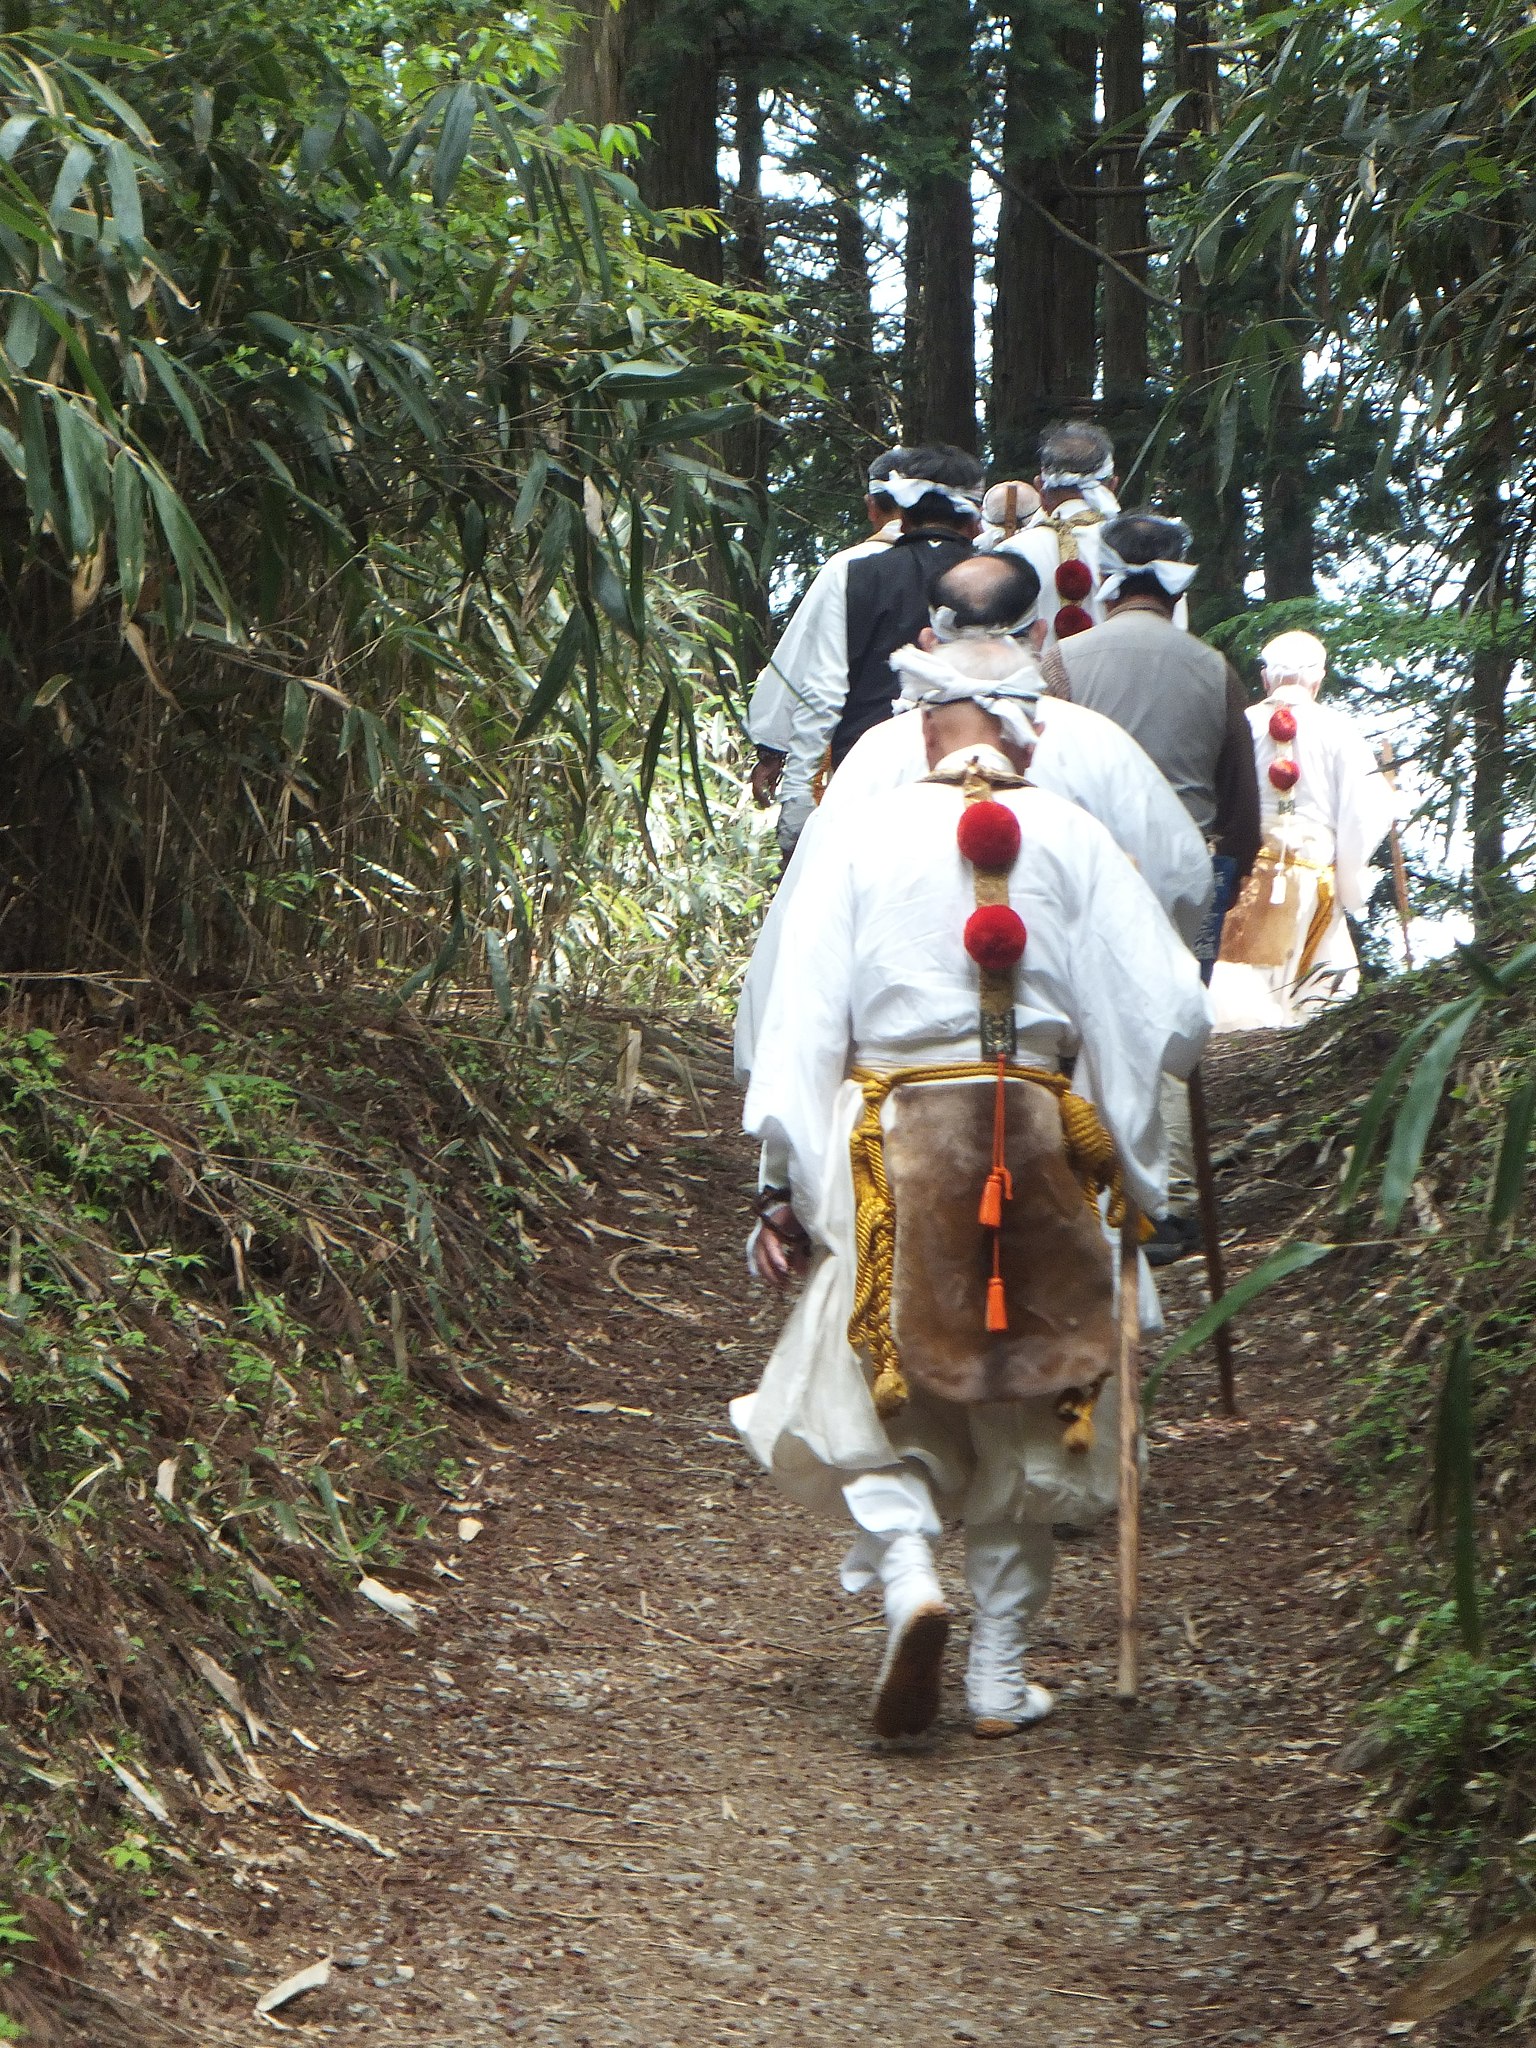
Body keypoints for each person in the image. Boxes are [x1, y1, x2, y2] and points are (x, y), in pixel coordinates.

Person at [733, 646, 1210, 1741]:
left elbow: (793, 1016)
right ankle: (998, 1675)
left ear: (923, 728)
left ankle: (909, 1580)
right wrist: (1128, 1165)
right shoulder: (1076, 833)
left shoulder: (859, 834)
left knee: (875, 1385)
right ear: (1023, 729)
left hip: (891, 1135)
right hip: (1040, 1129)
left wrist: (781, 1188)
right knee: (1032, 1394)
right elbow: (1171, 1015)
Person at [733, 552, 1213, 1081]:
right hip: (1061, 1077)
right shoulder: (1102, 743)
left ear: (929, 641)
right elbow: (1181, 882)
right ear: (1039, 632)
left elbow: (810, 921)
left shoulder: (878, 751)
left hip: (895, 1088)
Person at [1057, 512, 1261, 1263]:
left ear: (1105, 575)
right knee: (1170, 1021)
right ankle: (1166, 1203)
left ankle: (1083, 1186)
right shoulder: (1214, 668)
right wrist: (1224, 882)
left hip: (1084, 863)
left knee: (1079, 1018)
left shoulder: (1064, 662)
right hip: (1187, 867)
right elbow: (1243, 810)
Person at [771, 444, 984, 858]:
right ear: (973, 515)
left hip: (866, 777)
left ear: (901, 513)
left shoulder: (854, 573)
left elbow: (823, 691)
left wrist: (798, 799)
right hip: (974, 780)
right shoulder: (999, 575)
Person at [1210, 630, 1398, 1030]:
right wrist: (1350, 878)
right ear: (1318, 679)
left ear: (1265, 679)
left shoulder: (1240, 725)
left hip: (1245, 875)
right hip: (1314, 879)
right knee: (1317, 996)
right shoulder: (1338, 729)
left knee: (1239, 991)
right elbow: (1366, 811)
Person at [746, 449, 910, 808]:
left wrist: (772, 751)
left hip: (861, 761)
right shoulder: (972, 565)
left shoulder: (846, 567)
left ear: (871, 507)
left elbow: (801, 661)